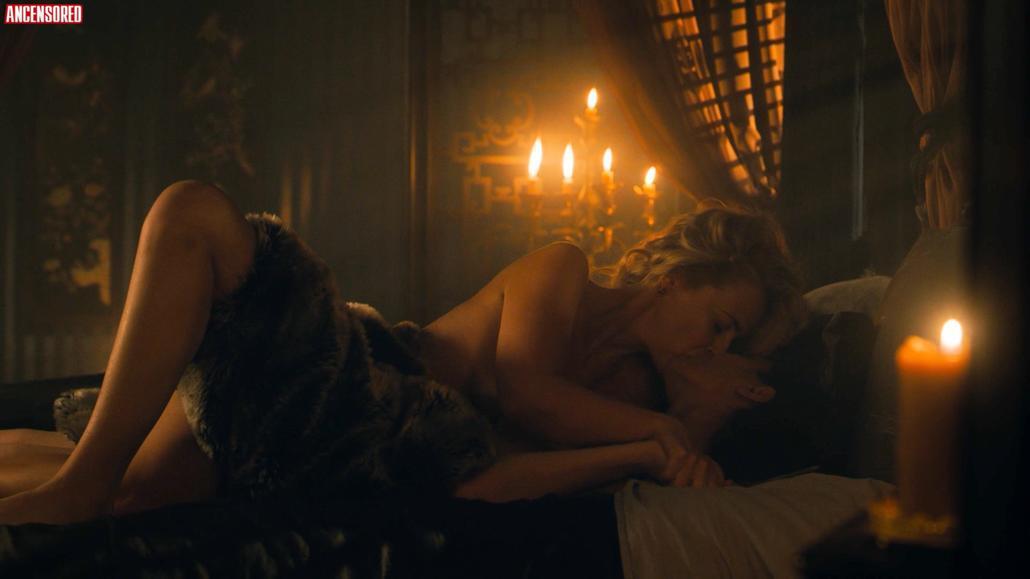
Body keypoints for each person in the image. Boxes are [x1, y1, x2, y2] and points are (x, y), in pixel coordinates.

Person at [0, 179, 805, 525]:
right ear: (676, 279)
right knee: (194, 214)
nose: (713, 346)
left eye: (730, 343)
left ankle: (80, 479)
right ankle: (82, 479)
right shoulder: (566, 270)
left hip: (362, 449)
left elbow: (497, 473)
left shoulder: (626, 394)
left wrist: (668, 435)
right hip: (347, 369)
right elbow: (524, 390)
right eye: (720, 322)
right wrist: (659, 434)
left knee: (140, 488)